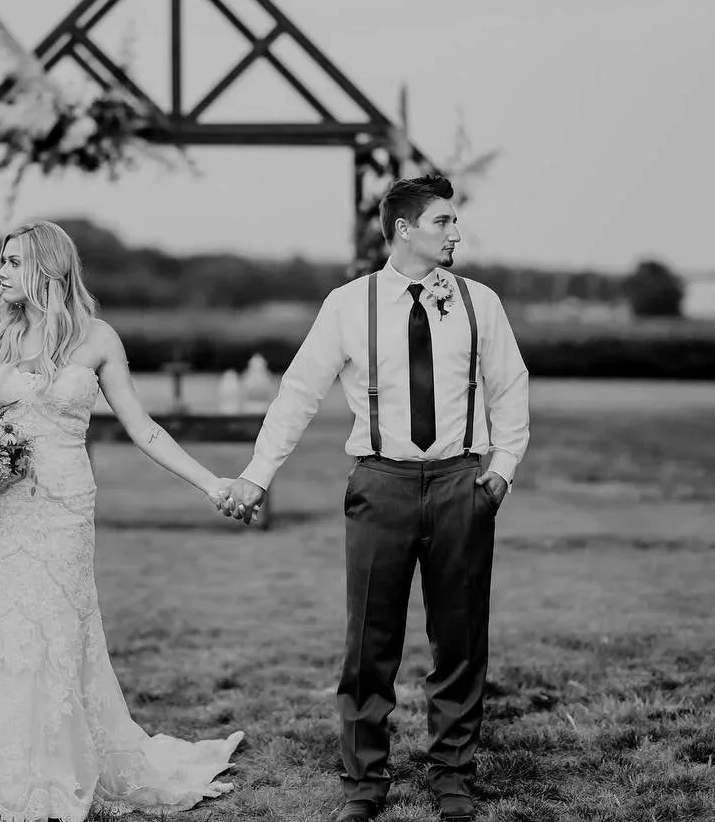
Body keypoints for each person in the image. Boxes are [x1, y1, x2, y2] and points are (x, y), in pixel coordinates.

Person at [0, 220, 242, 822]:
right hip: (2, 511)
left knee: (54, 632)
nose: (1, 272)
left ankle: (53, 771)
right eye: (1, 261)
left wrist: (211, 482)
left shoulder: (97, 338)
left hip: (64, 507)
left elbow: (144, 428)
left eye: (13, 261)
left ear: (48, 267)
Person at [218, 175, 529, 822]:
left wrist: (500, 471)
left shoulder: (481, 303)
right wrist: (257, 474)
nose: (456, 232)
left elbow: (510, 388)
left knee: (461, 638)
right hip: (380, 483)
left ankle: (452, 775)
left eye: (454, 221)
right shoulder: (347, 304)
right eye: (443, 220)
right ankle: (364, 782)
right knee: (368, 641)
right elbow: (298, 393)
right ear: (404, 229)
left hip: (461, 484)